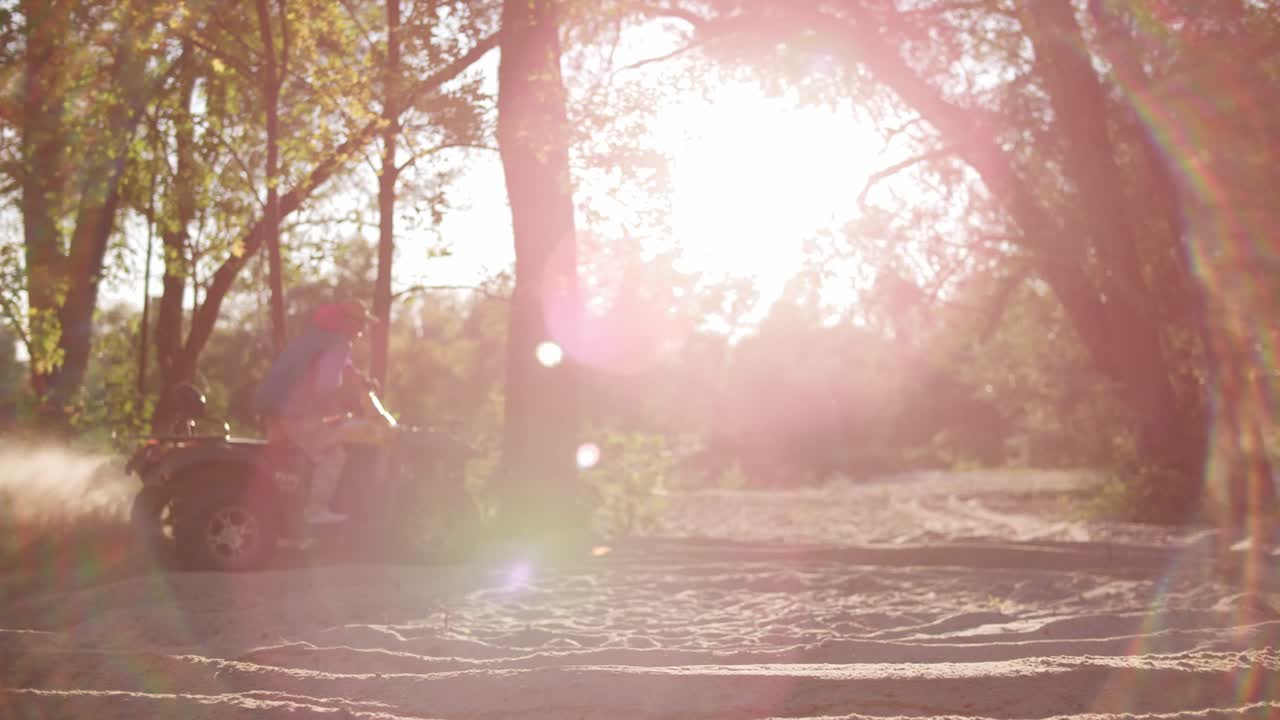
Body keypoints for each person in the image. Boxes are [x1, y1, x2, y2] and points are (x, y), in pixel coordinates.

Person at [253, 299, 375, 524]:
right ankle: (315, 510)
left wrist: (361, 380)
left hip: (275, 412)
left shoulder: (315, 337)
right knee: (333, 454)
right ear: (348, 322)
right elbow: (325, 385)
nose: (363, 330)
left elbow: (345, 368)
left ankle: (287, 517)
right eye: (361, 324)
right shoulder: (338, 343)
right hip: (297, 414)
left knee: (287, 461)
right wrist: (336, 410)